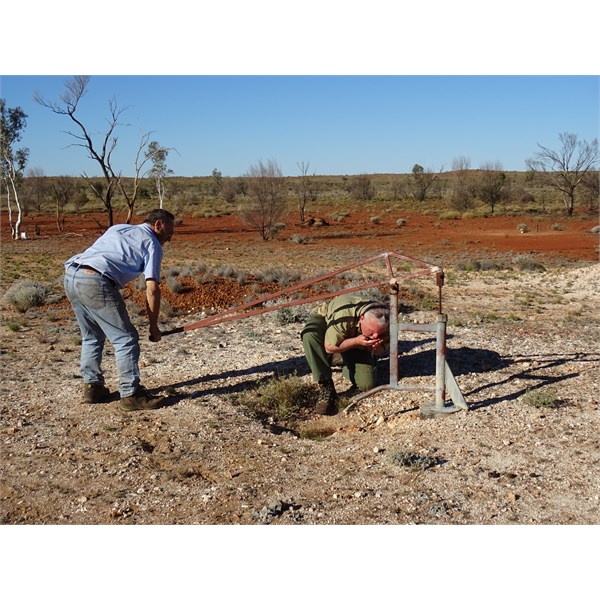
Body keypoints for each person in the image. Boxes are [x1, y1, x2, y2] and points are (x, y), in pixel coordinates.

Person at [63, 208, 175, 411]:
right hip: (96, 281)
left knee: (92, 335)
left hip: (72, 274)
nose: (169, 238)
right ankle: (130, 395)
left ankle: (92, 387)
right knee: (126, 339)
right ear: (158, 225)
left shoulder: (119, 228)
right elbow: (152, 288)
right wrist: (153, 327)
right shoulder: (152, 243)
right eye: (169, 233)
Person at [301, 293, 390, 415]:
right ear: (362, 318)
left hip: (353, 337)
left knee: (366, 385)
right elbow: (329, 347)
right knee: (310, 335)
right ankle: (325, 384)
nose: (375, 335)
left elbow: (381, 350)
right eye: (372, 331)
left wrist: (374, 346)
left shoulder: (385, 321)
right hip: (327, 320)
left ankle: (341, 359)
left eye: (379, 333)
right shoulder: (344, 315)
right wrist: (356, 341)